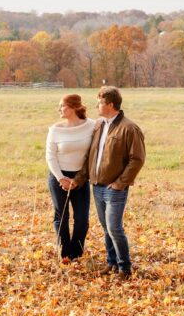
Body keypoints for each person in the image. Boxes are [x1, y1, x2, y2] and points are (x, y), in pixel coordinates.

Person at [73, 85, 145, 279]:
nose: (97, 105)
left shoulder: (129, 128)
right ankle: (111, 263)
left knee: (114, 227)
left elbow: (137, 159)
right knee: (106, 228)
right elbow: (91, 155)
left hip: (115, 189)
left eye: (100, 102)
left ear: (111, 105)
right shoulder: (101, 126)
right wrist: (80, 179)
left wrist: (121, 183)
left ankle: (125, 268)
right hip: (97, 186)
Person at [45, 94, 96, 263]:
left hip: (80, 178)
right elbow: (50, 156)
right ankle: (65, 254)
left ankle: (76, 253)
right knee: (62, 216)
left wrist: (77, 179)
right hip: (58, 177)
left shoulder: (91, 125)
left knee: (82, 219)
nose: (59, 109)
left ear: (74, 107)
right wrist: (61, 178)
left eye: (63, 106)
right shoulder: (55, 130)